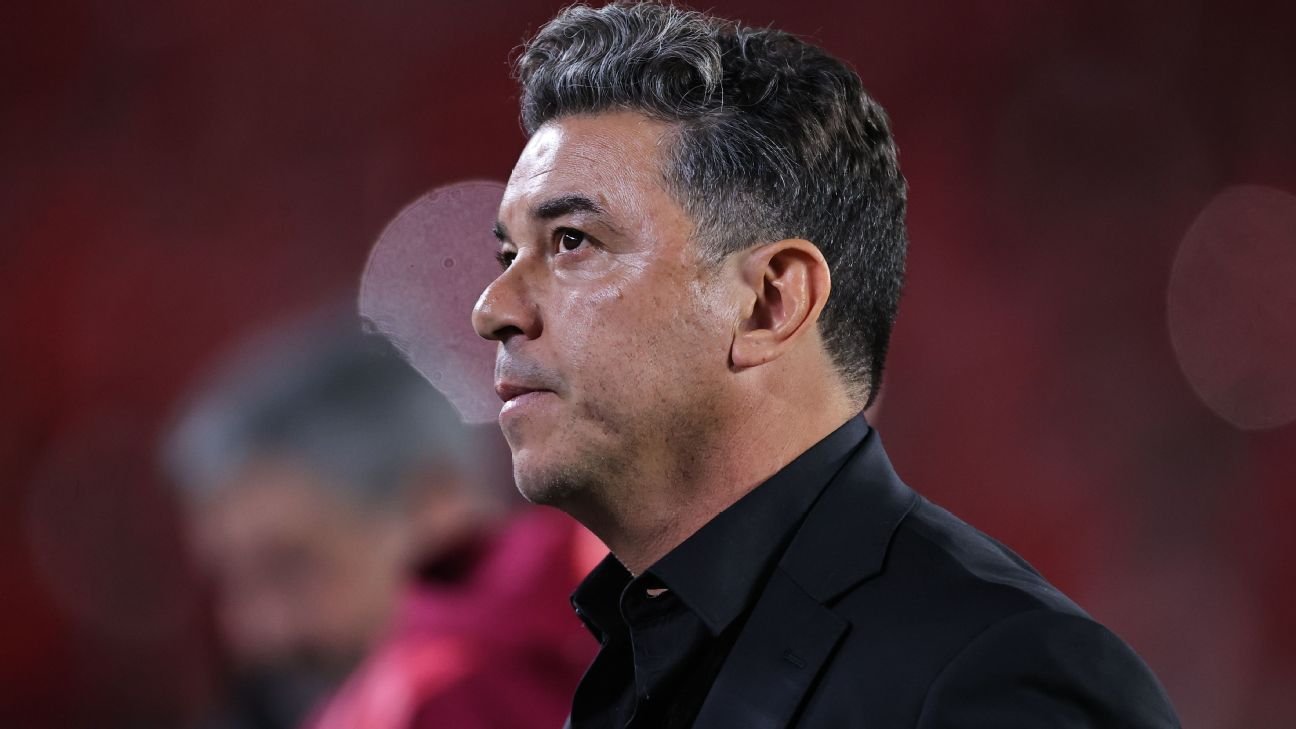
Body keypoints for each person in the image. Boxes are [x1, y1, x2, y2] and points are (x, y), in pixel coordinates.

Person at [468, 3, 1181, 727]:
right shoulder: (628, 667)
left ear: (770, 303)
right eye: (508, 255)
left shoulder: (1004, 676)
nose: (492, 308)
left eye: (572, 240)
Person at [165, 311, 595, 729]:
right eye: (229, 582)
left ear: (437, 509)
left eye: (290, 568)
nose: (255, 633)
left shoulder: (440, 699)